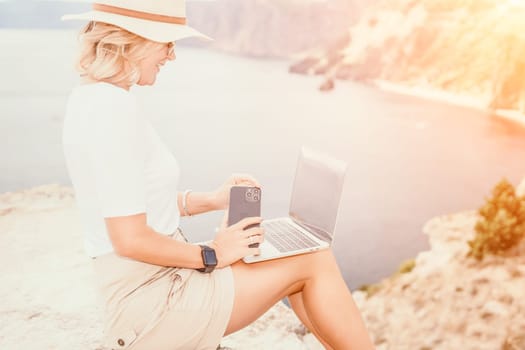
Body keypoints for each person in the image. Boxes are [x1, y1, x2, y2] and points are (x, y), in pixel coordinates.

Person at [61, 1, 375, 349]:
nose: (171, 56)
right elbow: (129, 238)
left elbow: (134, 202)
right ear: (136, 41)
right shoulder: (112, 111)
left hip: (154, 285)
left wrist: (211, 200)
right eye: (168, 44)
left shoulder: (93, 99)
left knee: (298, 259)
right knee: (312, 259)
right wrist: (212, 253)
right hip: (153, 306)